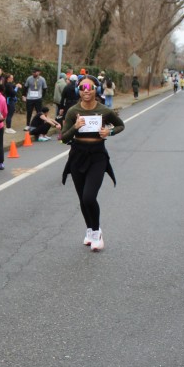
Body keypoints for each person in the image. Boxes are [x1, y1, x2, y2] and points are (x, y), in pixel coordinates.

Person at [60, 75, 125, 252]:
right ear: (78, 91)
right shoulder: (73, 111)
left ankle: (97, 233)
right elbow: (63, 138)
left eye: (89, 87)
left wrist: (109, 132)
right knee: (82, 199)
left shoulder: (104, 110)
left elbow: (120, 125)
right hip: (77, 156)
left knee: (89, 197)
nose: (86, 90)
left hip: (97, 156)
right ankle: (89, 230)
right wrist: (75, 127)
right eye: (82, 87)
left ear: (96, 89)